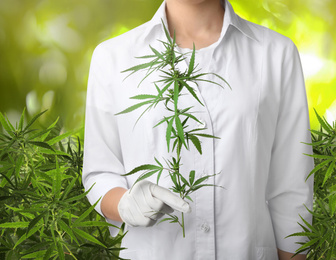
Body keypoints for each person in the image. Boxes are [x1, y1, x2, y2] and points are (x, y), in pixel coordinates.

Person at [82, 0, 314, 259]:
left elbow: (292, 188)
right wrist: (125, 204)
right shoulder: (113, 58)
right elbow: (100, 172)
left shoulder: (275, 54)